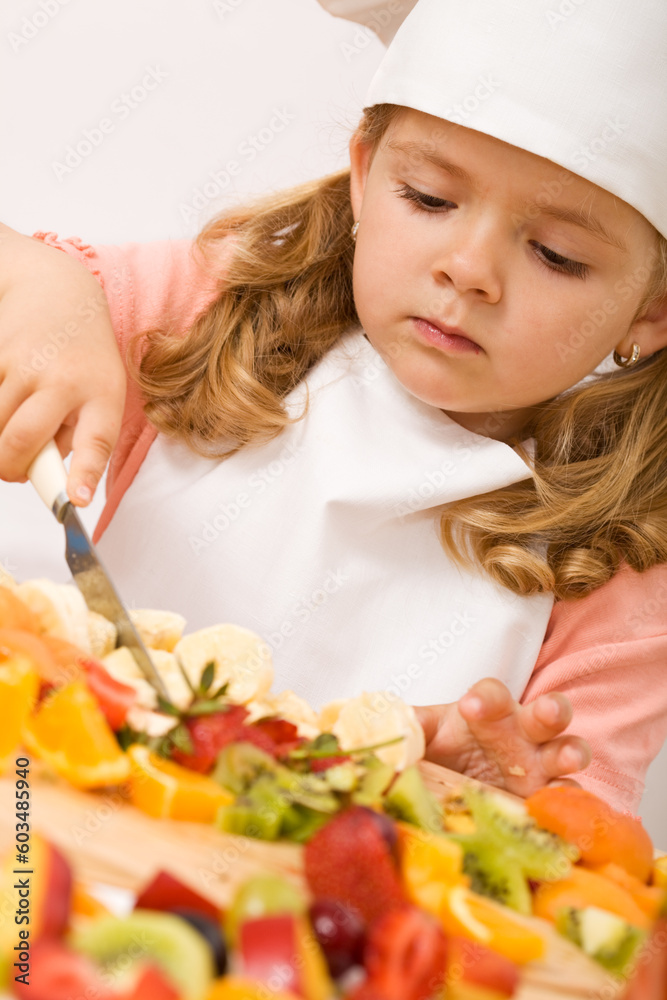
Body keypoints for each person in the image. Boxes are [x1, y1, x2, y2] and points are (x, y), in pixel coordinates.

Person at [1, 0, 666, 813]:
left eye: (555, 255)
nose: (468, 270)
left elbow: (582, 828)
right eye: (427, 198)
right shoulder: (216, 312)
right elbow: (22, 280)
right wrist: (48, 290)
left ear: (651, 311)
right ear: (361, 174)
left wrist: (490, 788)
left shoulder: (627, 559)